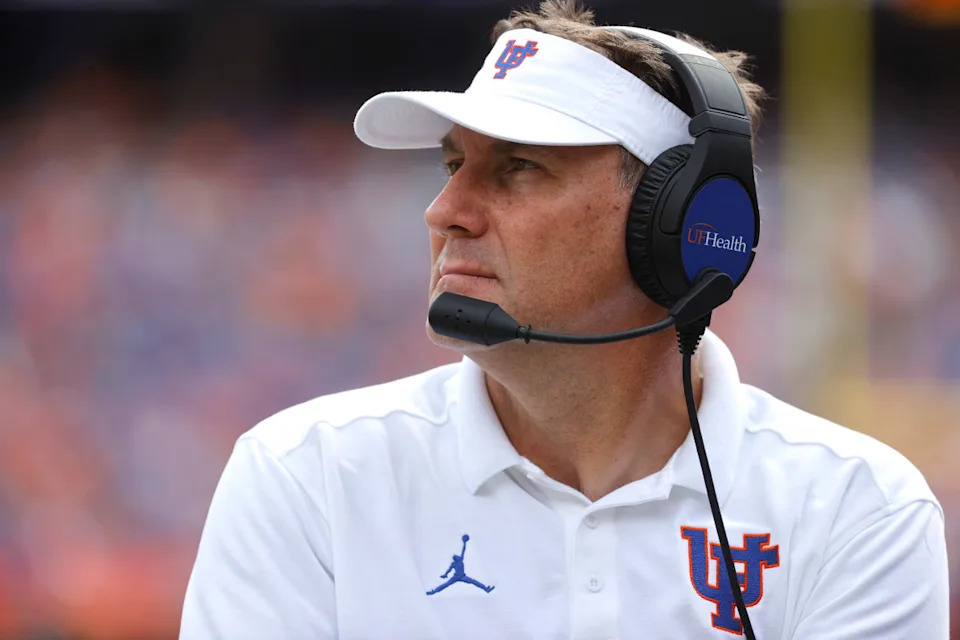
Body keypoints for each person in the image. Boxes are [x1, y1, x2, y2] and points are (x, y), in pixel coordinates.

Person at [180, 1, 949, 638]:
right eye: (454, 166)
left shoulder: (856, 510)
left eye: (519, 167)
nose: (444, 211)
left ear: (679, 225)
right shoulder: (305, 477)